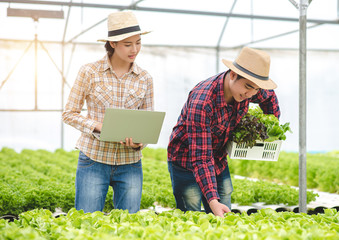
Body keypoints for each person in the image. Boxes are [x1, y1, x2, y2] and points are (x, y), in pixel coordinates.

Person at [167, 47, 280, 217]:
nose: (251, 95)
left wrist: (270, 128)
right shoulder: (203, 101)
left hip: (218, 159)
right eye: (248, 87)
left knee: (223, 214)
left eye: (256, 89)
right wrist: (213, 200)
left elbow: (269, 97)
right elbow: (201, 157)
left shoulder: (248, 89)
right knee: (191, 217)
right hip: (186, 160)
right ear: (233, 74)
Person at [62, 11, 153, 213]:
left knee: (129, 227)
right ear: (112, 43)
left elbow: (147, 122)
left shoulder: (145, 78)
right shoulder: (89, 72)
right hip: (93, 160)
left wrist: (140, 142)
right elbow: (69, 113)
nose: (135, 49)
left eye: (138, 42)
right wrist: (98, 126)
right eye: (127, 44)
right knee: (86, 224)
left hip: (130, 164)